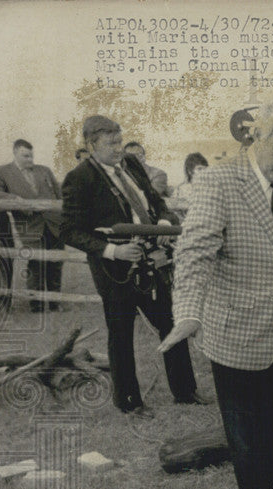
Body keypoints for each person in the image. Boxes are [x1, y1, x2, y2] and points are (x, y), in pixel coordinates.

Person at [159, 102, 273, 489]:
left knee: (267, 427)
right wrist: (187, 313)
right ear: (255, 139)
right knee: (247, 433)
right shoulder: (218, 181)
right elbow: (193, 254)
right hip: (235, 334)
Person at [61, 115, 203, 417]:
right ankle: (129, 402)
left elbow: (156, 202)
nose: (118, 149)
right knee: (121, 334)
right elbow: (69, 231)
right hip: (115, 272)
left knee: (170, 323)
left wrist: (163, 224)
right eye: (111, 144)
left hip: (152, 262)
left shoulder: (132, 165)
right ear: (91, 144)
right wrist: (113, 250)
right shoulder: (80, 178)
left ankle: (186, 392)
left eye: (120, 141)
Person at [0, 139, 65, 311]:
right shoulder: (2, 172)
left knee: (56, 263)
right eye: (25, 156)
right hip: (30, 226)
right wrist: (15, 200)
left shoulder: (44, 170)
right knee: (35, 264)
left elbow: (59, 195)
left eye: (31, 156)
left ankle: (54, 303)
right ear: (15, 153)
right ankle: (36, 304)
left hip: (54, 223)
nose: (30, 160)